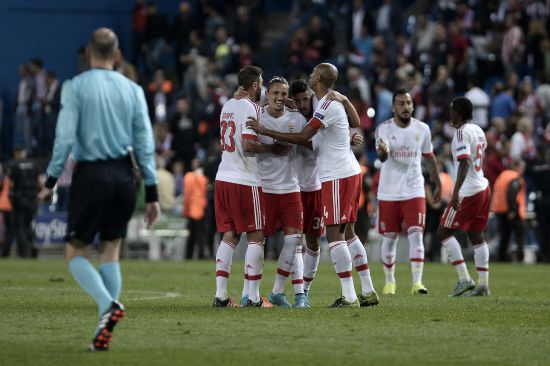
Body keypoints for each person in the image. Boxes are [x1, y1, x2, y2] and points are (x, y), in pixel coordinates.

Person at [40, 28, 160, 351]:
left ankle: (108, 306)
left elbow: (64, 138)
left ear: (88, 54)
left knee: (75, 251)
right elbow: (145, 143)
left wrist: (51, 180)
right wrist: (152, 193)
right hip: (125, 176)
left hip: (91, 175)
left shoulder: (74, 87)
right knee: (111, 250)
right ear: (117, 55)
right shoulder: (133, 89)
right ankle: (103, 327)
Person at [247, 63, 378, 307]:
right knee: (345, 233)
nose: (309, 75)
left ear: (318, 77)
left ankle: (348, 296)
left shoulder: (326, 105)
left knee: (332, 235)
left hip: (336, 176)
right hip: (336, 175)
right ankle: (367, 290)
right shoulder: (321, 103)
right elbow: (329, 132)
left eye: (313, 73)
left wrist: (267, 131)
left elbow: (303, 137)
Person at [288, 79, 364, 307]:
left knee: (314, 243)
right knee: (293, 241)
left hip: (317, 187)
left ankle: (305, 292)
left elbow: (317, 139)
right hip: (290, 187)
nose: (302, 104)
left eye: (305, 99)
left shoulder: (321, 112)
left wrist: (348, 138)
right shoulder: (288, 117)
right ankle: (284, 291)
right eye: (298, 100)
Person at [238, 76, 307, 308]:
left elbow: (309, 138)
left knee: (294, 240)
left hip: (290, 188)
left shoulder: (296, 119)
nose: (279, 97)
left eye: (284, 94)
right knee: (257, 243)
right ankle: (248, 293)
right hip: (263, 188)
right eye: (275, 93)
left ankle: (278, 290)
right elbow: (248, 147)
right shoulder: (256, 115)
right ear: (267, 94)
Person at [213, 65, 274, 308]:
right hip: (244, 179)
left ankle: (220, 295)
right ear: (255, 86)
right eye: (262, 83)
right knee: (256, 236)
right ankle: (255, 298)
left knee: (230, 235)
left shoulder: (227, 105)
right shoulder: (251, 108)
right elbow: (249, 145)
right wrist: (272, 149)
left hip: (223, 177)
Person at [374, 88, 442, 295]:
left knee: (416, 235)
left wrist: (438, 183)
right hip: (389, 191)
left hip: (414, 189)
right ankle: (389, 282)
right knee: (390, 237)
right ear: (394, 107)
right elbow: (382, 157)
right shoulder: (384, 129)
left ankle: (417, 283)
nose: (406, 107)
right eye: (401, 103)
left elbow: (429, 158)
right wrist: (383, 152)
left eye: (409, 103)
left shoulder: (422, 129)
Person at [438, 96, 491, 297]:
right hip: (484, 187)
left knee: (444, 232)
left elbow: (464, 162)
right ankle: (483, 284)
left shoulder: (461, 132)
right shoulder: (478, 130)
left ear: (458, 113)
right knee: (476, 234)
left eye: (452, 110)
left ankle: (464, 279)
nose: (449, 114)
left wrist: (456, 191)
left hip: (469, 191)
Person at [5, 147, 40, 258]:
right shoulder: (34, 164)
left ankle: (24, 252)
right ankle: (31, 248)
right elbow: (40, 182)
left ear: (16, 153)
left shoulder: (14, 165)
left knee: (19, 227)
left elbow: (10, 184)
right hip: (32, 199)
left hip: (19, 199)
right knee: (28, 225)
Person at [492, 159, 526, 262]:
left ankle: (502, 257)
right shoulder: (515, 177)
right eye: (522, 167)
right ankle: (520, 257)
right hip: (511, 210)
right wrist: (513, 210)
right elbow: (512, 193)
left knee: (504, 235)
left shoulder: (503, 175)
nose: (523, 170)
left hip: (499, 209)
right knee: (519, 233)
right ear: (517, 167)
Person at [183, 158, 209, 259]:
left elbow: (187, 194)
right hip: (200, 208)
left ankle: (189, 256)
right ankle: (200, 255)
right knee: (200, 235)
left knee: (193, 235)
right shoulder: (202, 178)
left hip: (193, 208)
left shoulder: (188, 176)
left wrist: (185, 210)